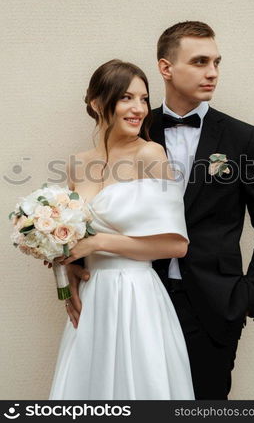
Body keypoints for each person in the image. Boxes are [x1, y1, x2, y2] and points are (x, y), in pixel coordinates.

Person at [65, 22, 254, 400]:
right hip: (135, 300)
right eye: (200, 61)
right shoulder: (135, 126)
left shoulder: (242, 137)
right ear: (166, 68)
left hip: (214, 306)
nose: (213, 72)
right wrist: (74, 263)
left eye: (216, 62)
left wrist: (247, 297)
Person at [48, 59, 195, 400]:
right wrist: (66, 269)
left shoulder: (151, 154)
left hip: (136, 295)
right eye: (127, 98)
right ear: (98, 104)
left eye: (144, 99)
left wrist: (99, 242)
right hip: (93, 296)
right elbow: (68, 236)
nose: (139, 108)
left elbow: (175, 246)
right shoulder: (77, 163)